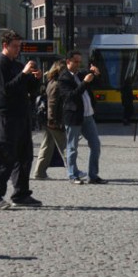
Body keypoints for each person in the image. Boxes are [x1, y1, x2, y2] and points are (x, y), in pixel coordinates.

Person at [0, 30, 43, 209]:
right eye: (15, 46)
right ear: (5, 45)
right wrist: (24, 75)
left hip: (22, 116)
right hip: (5, 117)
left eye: (20, 46)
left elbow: (29, 91)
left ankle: (21, 193)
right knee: (3, 156)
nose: (18, 50)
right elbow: (5, 92)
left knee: (24, 157)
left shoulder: (17, 65)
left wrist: (35, 80)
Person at [59, 50, 107, 185]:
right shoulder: (63, 78)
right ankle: (72, 175)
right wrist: (85, 83)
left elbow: (98, 84)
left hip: (88, 115)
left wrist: (96, 74)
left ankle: (93, 175)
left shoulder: (80, 74)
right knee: (72, 147)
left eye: (80, 61)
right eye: (76, 61)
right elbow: (70, 97)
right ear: (68, 62)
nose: (78, 64)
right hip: (73, 117)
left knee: (95, 145)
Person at [32, 60, 67, 180]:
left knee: (47, 146)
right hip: (53, 120)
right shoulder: (56, 84)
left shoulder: (51, 82)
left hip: (50, 120)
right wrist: (52, 120)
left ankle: (39, 172)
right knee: (65, 146)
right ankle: (74, 172)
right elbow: (52, 103)